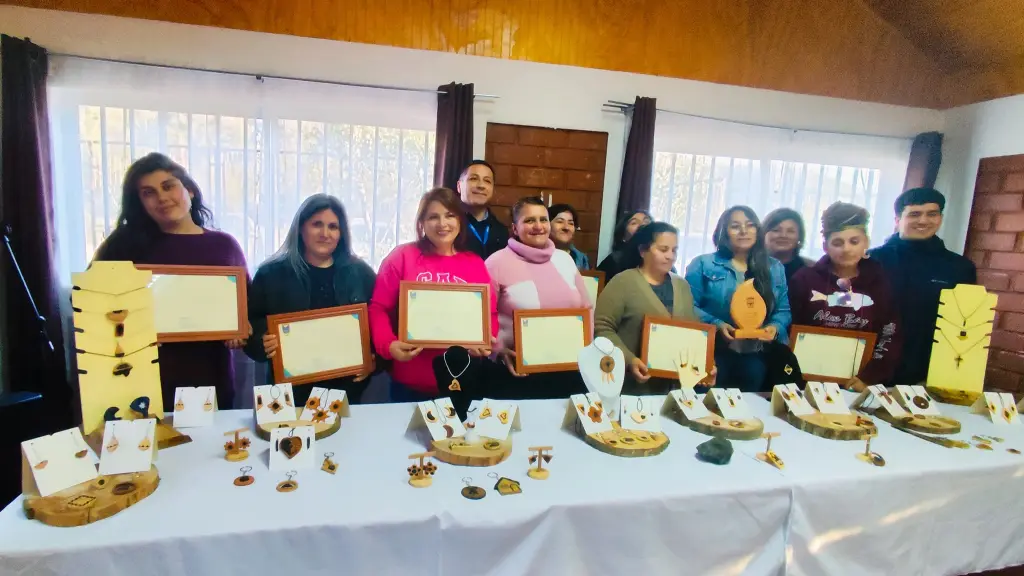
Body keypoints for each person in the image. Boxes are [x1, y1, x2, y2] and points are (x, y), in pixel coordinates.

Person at [93, 152, 248, 410]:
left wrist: (241, 329)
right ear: (140, 203)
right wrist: (133, 329)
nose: (162, 198)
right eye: (148, 193)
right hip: (141, 380)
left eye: (168, 186)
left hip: (211, 378)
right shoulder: (122, 246)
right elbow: (88, 303)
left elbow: (247, 306)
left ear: (190, 190)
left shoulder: (224, 246)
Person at [369, 187, 499, 402]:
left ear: (460, 220)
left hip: (462, 380)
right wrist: (389, 345)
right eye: (433, 217)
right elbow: (378, 308)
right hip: (410, 382)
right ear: (421, 222)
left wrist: (485, 340)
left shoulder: (475, 264)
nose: (442, 224)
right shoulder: (402, 257)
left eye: (450, 215)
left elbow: (490, 314)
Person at [245, 194, 377, 404]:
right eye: (317, 224)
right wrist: (262, 341)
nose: (325, 234)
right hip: (289, 395)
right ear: (301, 228)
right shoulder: (270, 274)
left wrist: (374, 360)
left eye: (333, 227)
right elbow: (250, 326)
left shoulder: (361, 274)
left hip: (346, 393)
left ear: (341, 233)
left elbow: (380, 324)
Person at [486, 197, 593, 398]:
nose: (538, 226)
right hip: (517, 373)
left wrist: (587, 350)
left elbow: (586, 309)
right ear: (515, 228)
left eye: (543, 219)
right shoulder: (496, 263)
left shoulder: (565, 259)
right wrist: (497, 350)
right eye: (529, 220)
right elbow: (483, 318)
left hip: (568, 369)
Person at [868, 187, 977, 385]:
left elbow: (965, 325)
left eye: (932, 214)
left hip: (927, 375)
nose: (923, 221)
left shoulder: (960, 268)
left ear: (940, 218)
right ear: (897, 219)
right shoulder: (871, 260)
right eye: (914, 214)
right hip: (869, 368)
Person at [789, 202, 901, 392]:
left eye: (854, 241)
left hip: (860, 384)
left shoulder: (881, 282)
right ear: (825, 246)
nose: (846, 249)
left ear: (866, 243)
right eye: (837, 243)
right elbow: (789, 329)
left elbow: (890, 334)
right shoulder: (804, 279)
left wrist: (869, 377)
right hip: (806, 382)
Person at [685, 206, 791, 392]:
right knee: (704, 404)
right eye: (735, 226)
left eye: (750, 225)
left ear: (758, 230)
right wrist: (717, 324)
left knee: (745, 405)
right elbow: (687, 306)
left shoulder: (774, 268)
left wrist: (774, 328)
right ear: (723, 232)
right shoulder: (703, 264)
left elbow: (783, 311)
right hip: (711, 352)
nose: (744, 231)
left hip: (756, 354)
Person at [595, 222, 698, 395]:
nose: (670, 256)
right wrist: (629, 360)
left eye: (674, 250)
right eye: (663, 249)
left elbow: (693, 331)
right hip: (630, 387)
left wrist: (705, 364)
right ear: (643, 251)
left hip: (674, 389)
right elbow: (602, 328)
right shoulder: (623, 282)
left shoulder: (682, 286)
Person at [457, 160, 509, 259]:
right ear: (459, 186)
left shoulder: (502, 231)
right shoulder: (447, 226)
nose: (481, 186)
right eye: (473, 179)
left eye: (487, 181)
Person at [596, 210, 652, 281]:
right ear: (623, 236)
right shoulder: (614, 260)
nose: (642, 225)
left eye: (646, 222)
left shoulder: (657, 258)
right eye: (634, 223)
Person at [763, 208, 815, 282]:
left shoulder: (811, 269)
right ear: (763, 234)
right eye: (776, 230)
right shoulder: (750, 266)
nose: (783, 235)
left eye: (790, 231)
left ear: (800, 237)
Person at [548, 203, 590, 270]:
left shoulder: (581, 259)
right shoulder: (536, 255)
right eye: (560, 222)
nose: (566, 227)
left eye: (571, 223)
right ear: (547, 225)